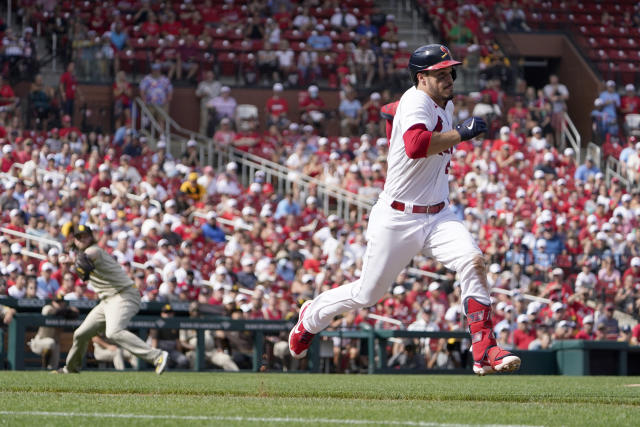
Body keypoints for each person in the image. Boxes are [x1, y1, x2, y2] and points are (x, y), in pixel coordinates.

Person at [289, 44, 521, 375]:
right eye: (440, 73)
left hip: (440, 214)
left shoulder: (441, 102)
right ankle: (312, 316)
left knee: (473, 259)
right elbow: (414, 146)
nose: (448, 77)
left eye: (450, 71)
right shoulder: (416, 100)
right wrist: (461, 135)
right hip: (398, 217)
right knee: (366, 294)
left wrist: (390, 118)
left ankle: (484, 349)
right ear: (421, 78)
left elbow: (393, 110)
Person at [52, 224, 168, 374]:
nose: (83, 239)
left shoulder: (94, 250)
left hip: (124, 295)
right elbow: (81, 267)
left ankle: (157, 356)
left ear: (91, 237)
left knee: (113, 332)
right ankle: (71, 368)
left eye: (86, 235)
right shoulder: (81, 253)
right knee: (81, 334)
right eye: (79, 237)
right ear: (75, 239)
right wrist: (71, 258)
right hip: (107, 300)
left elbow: (85, 261)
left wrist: (70, 259)